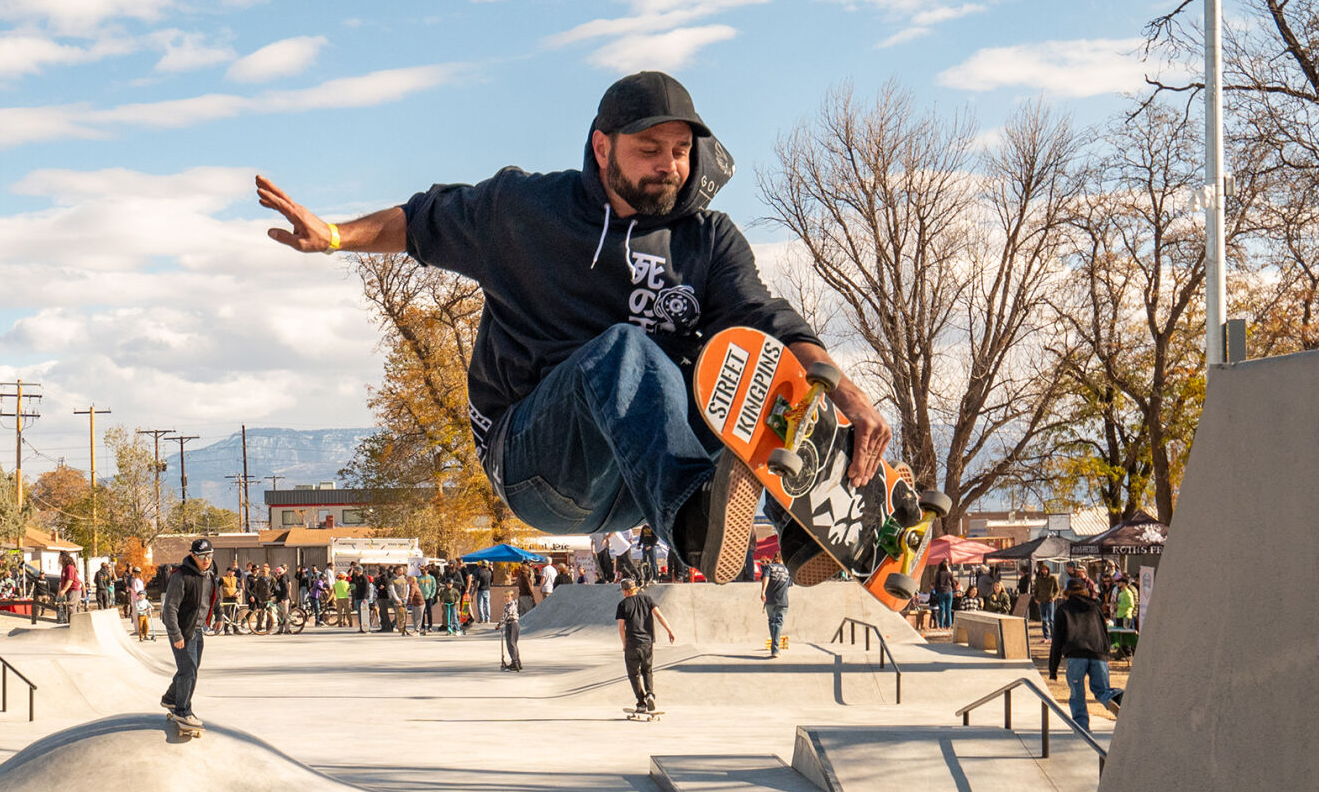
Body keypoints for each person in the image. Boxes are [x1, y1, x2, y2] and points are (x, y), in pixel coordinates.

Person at [256, 70, 888, 589]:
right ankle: (696, 523)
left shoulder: (709, 241)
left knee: (748, 365)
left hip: (641, 476)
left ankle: (809, 525)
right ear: (602, 148)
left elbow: (765, 315)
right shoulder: (524, 212)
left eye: (680, 151)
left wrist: (844, 391)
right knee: (623, 350)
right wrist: (337, 236)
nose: (669, 167)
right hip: (540, 463)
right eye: (649, 151)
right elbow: (422, 221)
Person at [1048, 571, 1123, 732]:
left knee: (1077, 694)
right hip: (1098, 655)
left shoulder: (1063, 609)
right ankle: (1114, 697)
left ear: (1067, 592)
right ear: (1085, 591)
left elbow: (1057, 640)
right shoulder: (1095, 607)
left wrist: (1053, 669)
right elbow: (1104, 631)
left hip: (1076, 655)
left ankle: (1082, 729)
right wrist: (1105, 653)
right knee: (1102, 690)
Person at [160, 538, 219, 729]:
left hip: (198, 628)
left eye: (209, 556)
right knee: (188, 671)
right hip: (182, 630)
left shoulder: (210, 572)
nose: (206, 560)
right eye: (201, 556)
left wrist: (219, 614)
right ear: (193, 555)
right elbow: (169, 608)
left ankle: (171, 698)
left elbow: (214, 595)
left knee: (191, 669)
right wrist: (176, 635)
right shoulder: (181, 576)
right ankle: (182, 711)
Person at [616, 576, 675, 712]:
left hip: (632, 642)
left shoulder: (623, 605)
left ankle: (641, 702)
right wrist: (669, 631)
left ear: (625, 591)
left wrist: (624, 644)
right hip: (647, 642)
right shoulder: (647, 599)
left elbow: (621, 628)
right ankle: (650, 694)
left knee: (633, 673)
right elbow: (659, 616)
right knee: (647, 670)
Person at [759, 556, 791, 658]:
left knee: (772, 622)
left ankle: (775, 648)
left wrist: (763, 592)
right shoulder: (787, 569)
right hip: (782, 600)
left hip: (770, 600)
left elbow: (766, 578)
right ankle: (775, 649)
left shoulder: (769, 567)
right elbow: (789, 584)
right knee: (778, 624)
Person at [1031, 562, 1059, 638]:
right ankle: (1046, 636)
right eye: (1043, 569)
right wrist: (1036, 598)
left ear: (1048, 570)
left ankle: (1053, 636)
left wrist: (1054, 597)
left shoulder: (1053, 578)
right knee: (1044, 620)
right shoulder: (1039, 579)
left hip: (1050, 601)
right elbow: (1035, 590)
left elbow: (1057, 590)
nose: (1044, 571)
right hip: (1041, 601)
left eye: (1046, 569)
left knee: (1051, 619)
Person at [501, 592, 522, 671]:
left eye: (508, 596)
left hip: (512, 624)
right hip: (512, 624)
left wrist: (500, 624)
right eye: (505, 596)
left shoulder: (510, 605)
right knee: (513, 644)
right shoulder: (511, 604)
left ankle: (515, 662)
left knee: (511, 644)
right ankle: (517, 661)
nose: (506, 598)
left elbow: (506, 615)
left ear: (511, 597)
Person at [932, 562, 956, 629]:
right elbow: (953, 583)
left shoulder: (938, 574)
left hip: (941, 591)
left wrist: (936, 592)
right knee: (948, 609)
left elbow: (936, 583)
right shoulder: (950, 574)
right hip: (949, 591)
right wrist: (952, 589)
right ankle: (948, 625)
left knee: (942, 609)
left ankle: (941, 625)